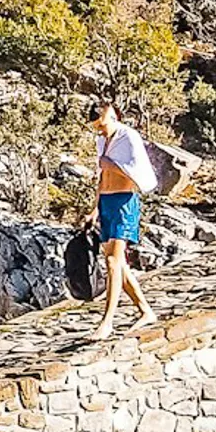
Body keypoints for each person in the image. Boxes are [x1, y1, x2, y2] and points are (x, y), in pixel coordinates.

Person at [88, 99, 160, 337]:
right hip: (107, 202)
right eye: (97, 127)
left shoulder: (129, 138)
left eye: (103, 125)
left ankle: (107, 323)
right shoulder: (101, 141)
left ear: (112, 117)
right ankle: (145, 310)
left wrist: (112, 164)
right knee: (118, 264)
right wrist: (94, 209)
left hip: (123, 202)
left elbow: (138, 174)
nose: (101, 130)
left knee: (112, 263)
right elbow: (102, 177)